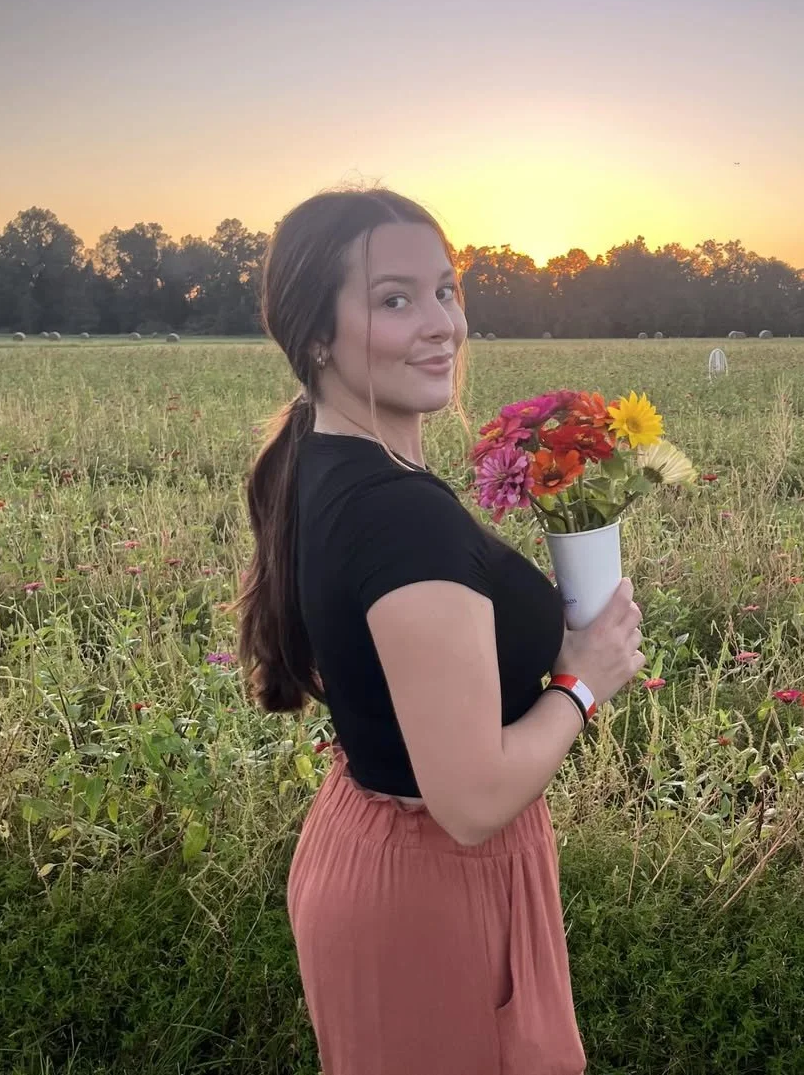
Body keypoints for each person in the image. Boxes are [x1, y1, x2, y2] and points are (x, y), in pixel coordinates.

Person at [234, 187, 645, 1075]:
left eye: (446, 291)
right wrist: (583, 680)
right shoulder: (399, 517)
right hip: (433, 888)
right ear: (316, 335)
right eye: (394, 299)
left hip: (373, 843)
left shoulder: (328, 459)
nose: (441, 325)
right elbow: (471, 800)